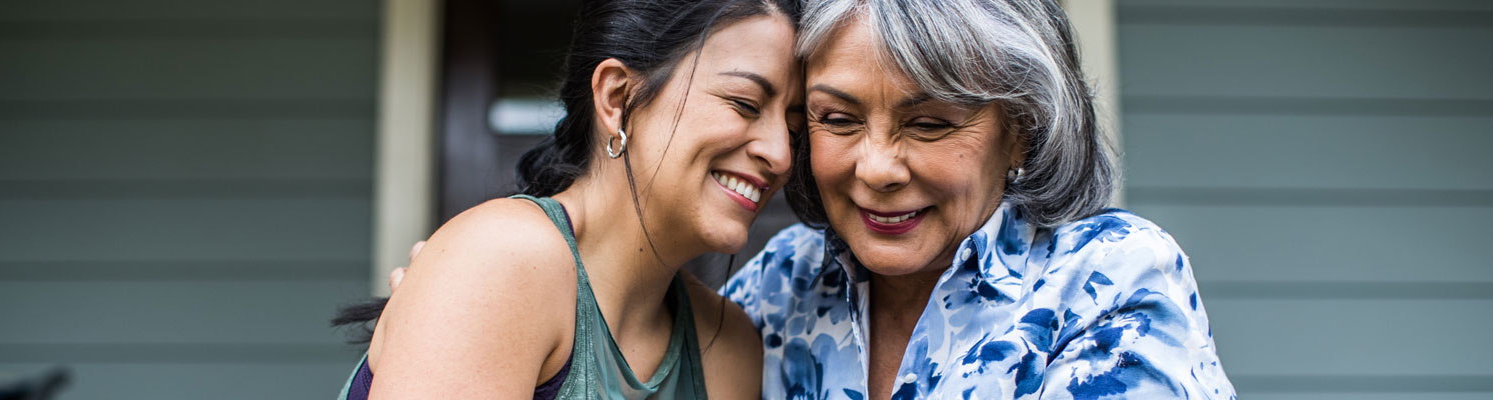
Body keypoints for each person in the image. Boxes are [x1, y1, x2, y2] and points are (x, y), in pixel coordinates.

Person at [720, 0, 1236, 398]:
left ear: (1020, 130)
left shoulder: (1106, 281)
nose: (876, 169)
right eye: (836, 119)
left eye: (928, 124)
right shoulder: (782, 280)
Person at [332, 0, 804, 398]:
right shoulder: (501, 262)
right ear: (617, 98)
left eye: (794, 126)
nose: (781, 154)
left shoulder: (729, 349)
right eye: (744, 104)